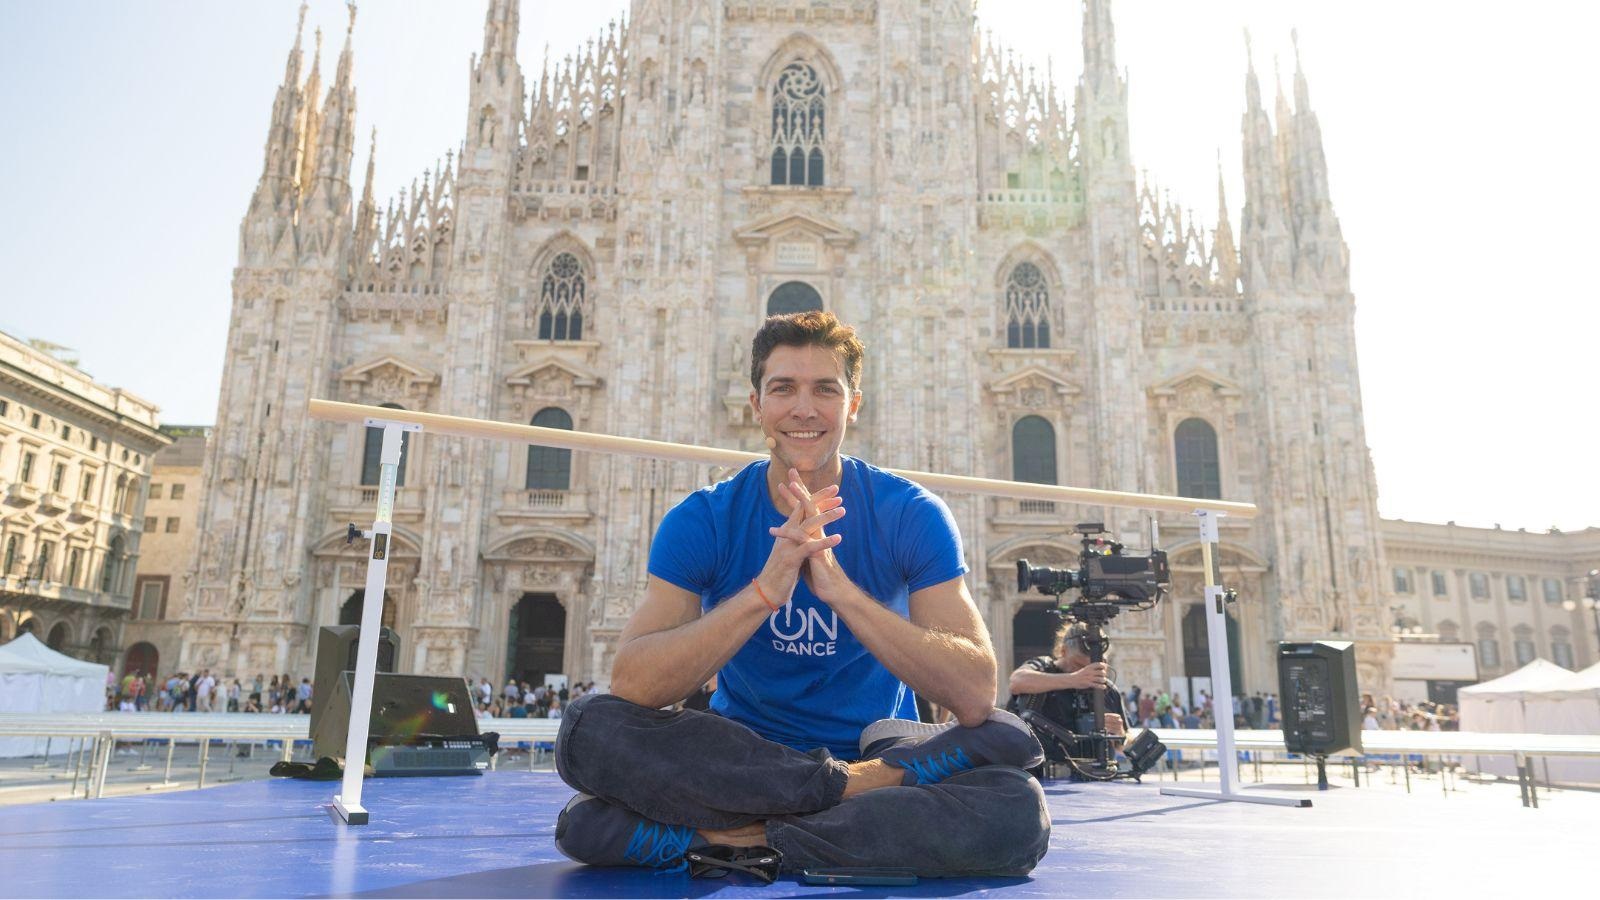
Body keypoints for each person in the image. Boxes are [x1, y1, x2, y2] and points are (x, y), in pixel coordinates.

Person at [553, 312, 1047, 878]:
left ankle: (731, 840)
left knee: (1017, 812)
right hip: (745, 756)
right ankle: (840, 802)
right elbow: (634, 685)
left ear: (853, 404)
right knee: (587, 727)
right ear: (756, 405)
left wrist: (842, 593)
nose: (804, 408)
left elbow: (975, 692)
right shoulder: (705, 519)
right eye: (783, 388)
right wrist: (764, 592)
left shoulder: (909, 514)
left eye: (825, 390)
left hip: (869, 746)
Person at [1006, 620, 1129, 780]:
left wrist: (1119, 735)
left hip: (1096, 782)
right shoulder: (1043, 668)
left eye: (1091, 666)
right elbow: (1017, 682)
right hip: (1041, 780)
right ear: (1063, 651)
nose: (1085, 672)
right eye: (1078, 664)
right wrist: (1074, 679)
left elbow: (1123, 745)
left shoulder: (1107, 689)